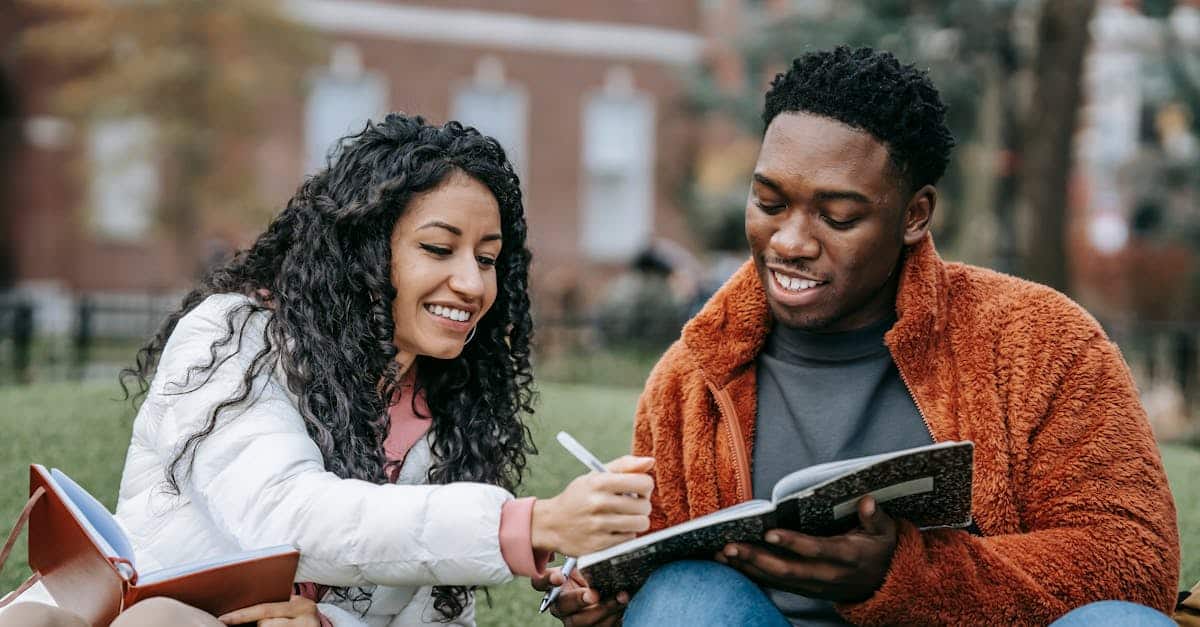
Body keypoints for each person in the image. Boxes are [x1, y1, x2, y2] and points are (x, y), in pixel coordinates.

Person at [534, 46, 1181, 626]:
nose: (789, 241)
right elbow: (655, 577)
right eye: (768, 202)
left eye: (838, 216)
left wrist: (906, 576)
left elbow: (1133, 564)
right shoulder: (692, 376)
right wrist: (607, 602)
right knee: (681, 598)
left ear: (914, 214)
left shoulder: (1039, 342)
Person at [0, 114, 654, 626]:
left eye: (488, 258)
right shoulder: (236, 336)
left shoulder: (451, 413)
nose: (471, 281)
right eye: (438, 247)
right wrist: (526, 523)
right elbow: (285, 515)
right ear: (364, 248)